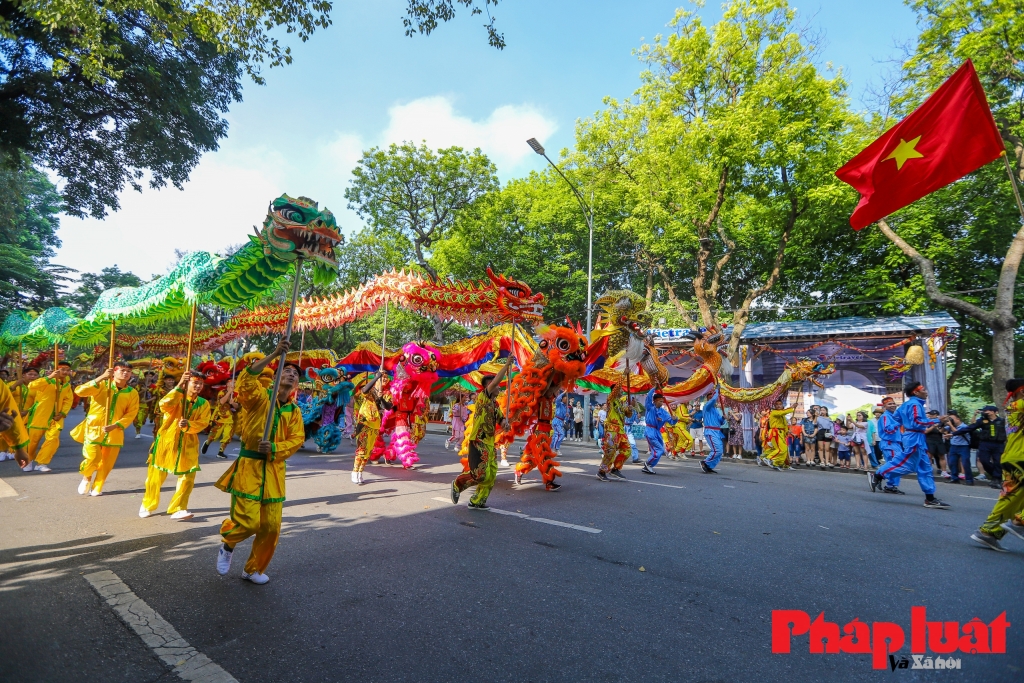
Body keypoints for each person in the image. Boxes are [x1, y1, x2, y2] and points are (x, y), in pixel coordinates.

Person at [215, 340, 305, 584]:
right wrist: (276, 353)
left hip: (274, 472)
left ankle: (253, 568)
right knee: (249, 522)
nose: (290, 373)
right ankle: (228, 542)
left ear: (296, 384)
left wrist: (274, 447)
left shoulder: (294, 411)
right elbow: (246, 381)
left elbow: (297, 439)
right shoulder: (259, 397)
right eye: (286, 370)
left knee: (271, 527)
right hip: (250, 468)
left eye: (295, 373)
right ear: (275, 377)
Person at [140, 369, 211, 520]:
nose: (198, 386)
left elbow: (204, 422)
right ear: (187, 383)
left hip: (189, 443)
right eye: (195, 383)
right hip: (167, 441)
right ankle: (148, 504)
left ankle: (179, 508)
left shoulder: (203, 404)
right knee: (155, 477)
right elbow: (164, 405)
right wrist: (179, 386)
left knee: (188, 477)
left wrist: (188, 424)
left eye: (201, 384)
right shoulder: (176, 397)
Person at [870, 383, 950, 509]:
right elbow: (917, 422)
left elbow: (897, 420)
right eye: (923, 390)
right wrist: (937, 420)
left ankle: (930, 498)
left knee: (925, 468)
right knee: (907, 465)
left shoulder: (907, 405)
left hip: (915, 438)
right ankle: (879, 475)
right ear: (916, 392)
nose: (926, 391)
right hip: (913, 439)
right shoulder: (914, 404)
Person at [71, 363, 140, 496]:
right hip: (94, 429)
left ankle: (98, 486)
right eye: (122, 370)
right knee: (92, 457)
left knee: (106, 463)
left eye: (129, 371)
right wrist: (102, 377)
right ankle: (86, 477)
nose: (125, 373)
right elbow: (80, 391)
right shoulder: (102, 385)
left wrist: (116, 425)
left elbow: (131, 413)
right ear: (114, 371)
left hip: (115, 431)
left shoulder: (132, 393)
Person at [971, 379, 1024, 551]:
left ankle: (988, 532)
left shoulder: (1013, 407)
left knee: (1010, 499)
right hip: (1021, 458)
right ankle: (1020, 521)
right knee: (1011, 499)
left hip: (1012, 457)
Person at [451, 361, 511, 509]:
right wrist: (507, 365)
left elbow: (501, 419)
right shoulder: (483, 397)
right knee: (480, 475)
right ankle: (458, 484)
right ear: (488, 387)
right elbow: (496, 380)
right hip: (478, 441)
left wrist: (505, 424)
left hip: (490, 443)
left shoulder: (495, 404)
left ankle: (477, 501)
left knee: (491, 475)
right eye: (495, 385)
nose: (498, 387)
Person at [20, 362, 73, 472]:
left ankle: (41, 463)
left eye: (68, 370)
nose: (66, 372)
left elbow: (68, 400)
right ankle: (28, 461)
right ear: (55, 370)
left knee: (53, 439)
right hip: (39, 416)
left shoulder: (67, 385)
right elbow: (32, 385)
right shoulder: (46, 381)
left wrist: (62, 413)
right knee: (32, 441)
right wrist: (50, 377)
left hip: (56, 418)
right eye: (63, 369)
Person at [351, 373, 391, 485]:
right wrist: (376, 377)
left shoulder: (387, 393)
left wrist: (380, 398)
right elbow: (364, 390)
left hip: (375, 425)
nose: (384, 379)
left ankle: (360, 472)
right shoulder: (370, 390)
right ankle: (354, 471)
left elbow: (388, 406)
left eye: (385, 378)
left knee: (368, 451)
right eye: (382, 378)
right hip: (364, 422)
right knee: (361, 449)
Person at [597, 384, 633, 481]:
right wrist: (624, 375)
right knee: (610, 452)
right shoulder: (610, 399)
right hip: (612, 430)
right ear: (615, 390)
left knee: (627, 450)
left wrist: (629, 409)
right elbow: (614, 391)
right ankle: (602, 472)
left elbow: (628, 415)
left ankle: (616, 468)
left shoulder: (621, 402)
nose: (622, 391)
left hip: (621, 430)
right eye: (620, 389)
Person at [641, 387, 677, 475]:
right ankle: (648, 463)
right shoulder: (650, 408)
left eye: (662, 401)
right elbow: (648, 397)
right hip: (650, 431)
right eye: (660, 401)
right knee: (660, 450)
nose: (661, 403)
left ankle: (649, 466)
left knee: (658, 450)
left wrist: (675, 418)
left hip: (657, 432)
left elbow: (672, 422)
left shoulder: (664, 412)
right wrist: (654, 388)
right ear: (655, 401)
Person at [970, 405, 1006, 489]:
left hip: (999, 444)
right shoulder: (982, 421)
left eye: (988, 410)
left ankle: (996, 479)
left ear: (995, 412)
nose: (986, 412)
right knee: (984, 460)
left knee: (998, 462)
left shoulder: (1002, 421)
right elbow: (972, 426)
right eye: (985, 411)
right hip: (985, 444)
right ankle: (996, 476)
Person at [202, 380, 237, 458]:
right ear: (227, 384)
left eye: (235, 383)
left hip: (230, 419)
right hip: (219, 417)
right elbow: (221, 402)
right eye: (232, 382)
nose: (234, 384)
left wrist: (233, 403)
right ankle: (207, 443)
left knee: (227, 436)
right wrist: (229, 392)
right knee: (214, 436)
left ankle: (221, 452)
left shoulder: (236, 395)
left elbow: (237, 407)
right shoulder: (222, 392)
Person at [700, 386, 725, 474]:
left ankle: (709, 466)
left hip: (717, 432)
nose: (712, 397)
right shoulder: (707, 406)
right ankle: (705, 462)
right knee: (717, 450)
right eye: (710, 396)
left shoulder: (716, 410)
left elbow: (721, 422)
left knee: (720, 451)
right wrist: (717, 391)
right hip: (710, 431)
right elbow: (713, 400)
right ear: (707, 398)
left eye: (713, 395)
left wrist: (723, 418)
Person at [944, 410, 973, 486]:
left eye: (952, 419)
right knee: (952, 462)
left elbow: (958, 433)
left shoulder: (964, 426)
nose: (950, 420)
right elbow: (941, 430)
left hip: (964, 446)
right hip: (953, 446)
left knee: (965, 463)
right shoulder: (951, 426)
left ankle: (969, 479)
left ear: (958, 419)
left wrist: (950, 425)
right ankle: (954, 478)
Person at [925, 408, 949, 478]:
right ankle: (928, 471)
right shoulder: (927, 422)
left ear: (936, 415)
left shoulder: (941, 422)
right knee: (929, 456)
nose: (930, 415)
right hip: (929, 440)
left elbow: (942, 432)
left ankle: (944, 471)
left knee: (942, 456)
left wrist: (943, 425)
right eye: (930, 414)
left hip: (939, 440)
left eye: (932, 414)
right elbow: (926, 431)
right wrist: (933, 426)